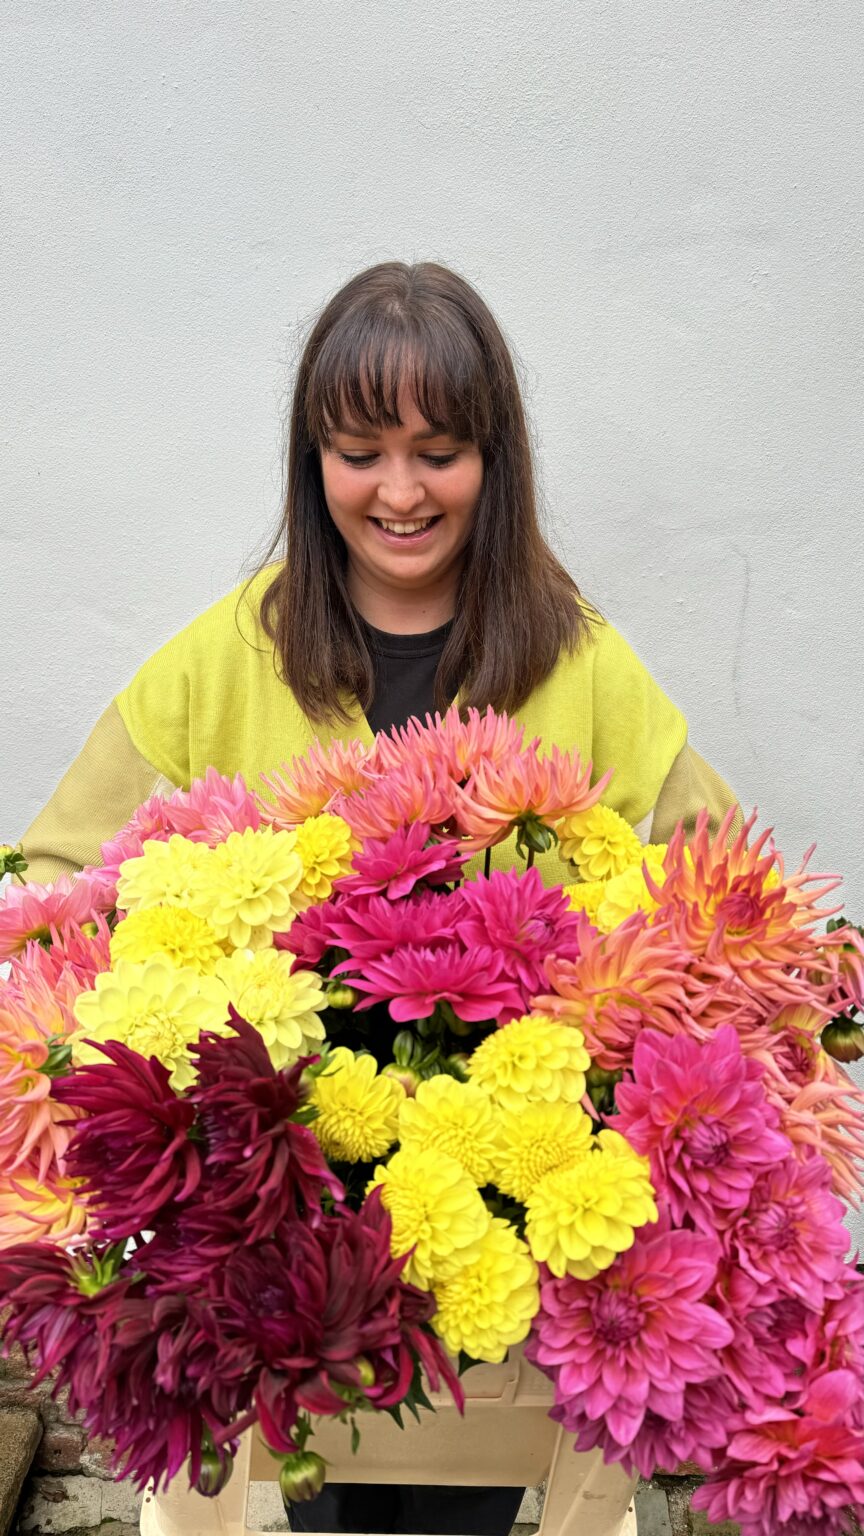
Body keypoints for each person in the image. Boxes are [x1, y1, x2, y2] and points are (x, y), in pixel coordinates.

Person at [18, 260, 740, 1534]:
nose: (400, 493)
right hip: (278, 1203)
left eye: (439, 453)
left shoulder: (579, 658)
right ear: (314, 464)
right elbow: (53, 880)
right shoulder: (230, 652)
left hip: (513, 1214)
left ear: (494, 462)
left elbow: (720, 886)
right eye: (361, 453)